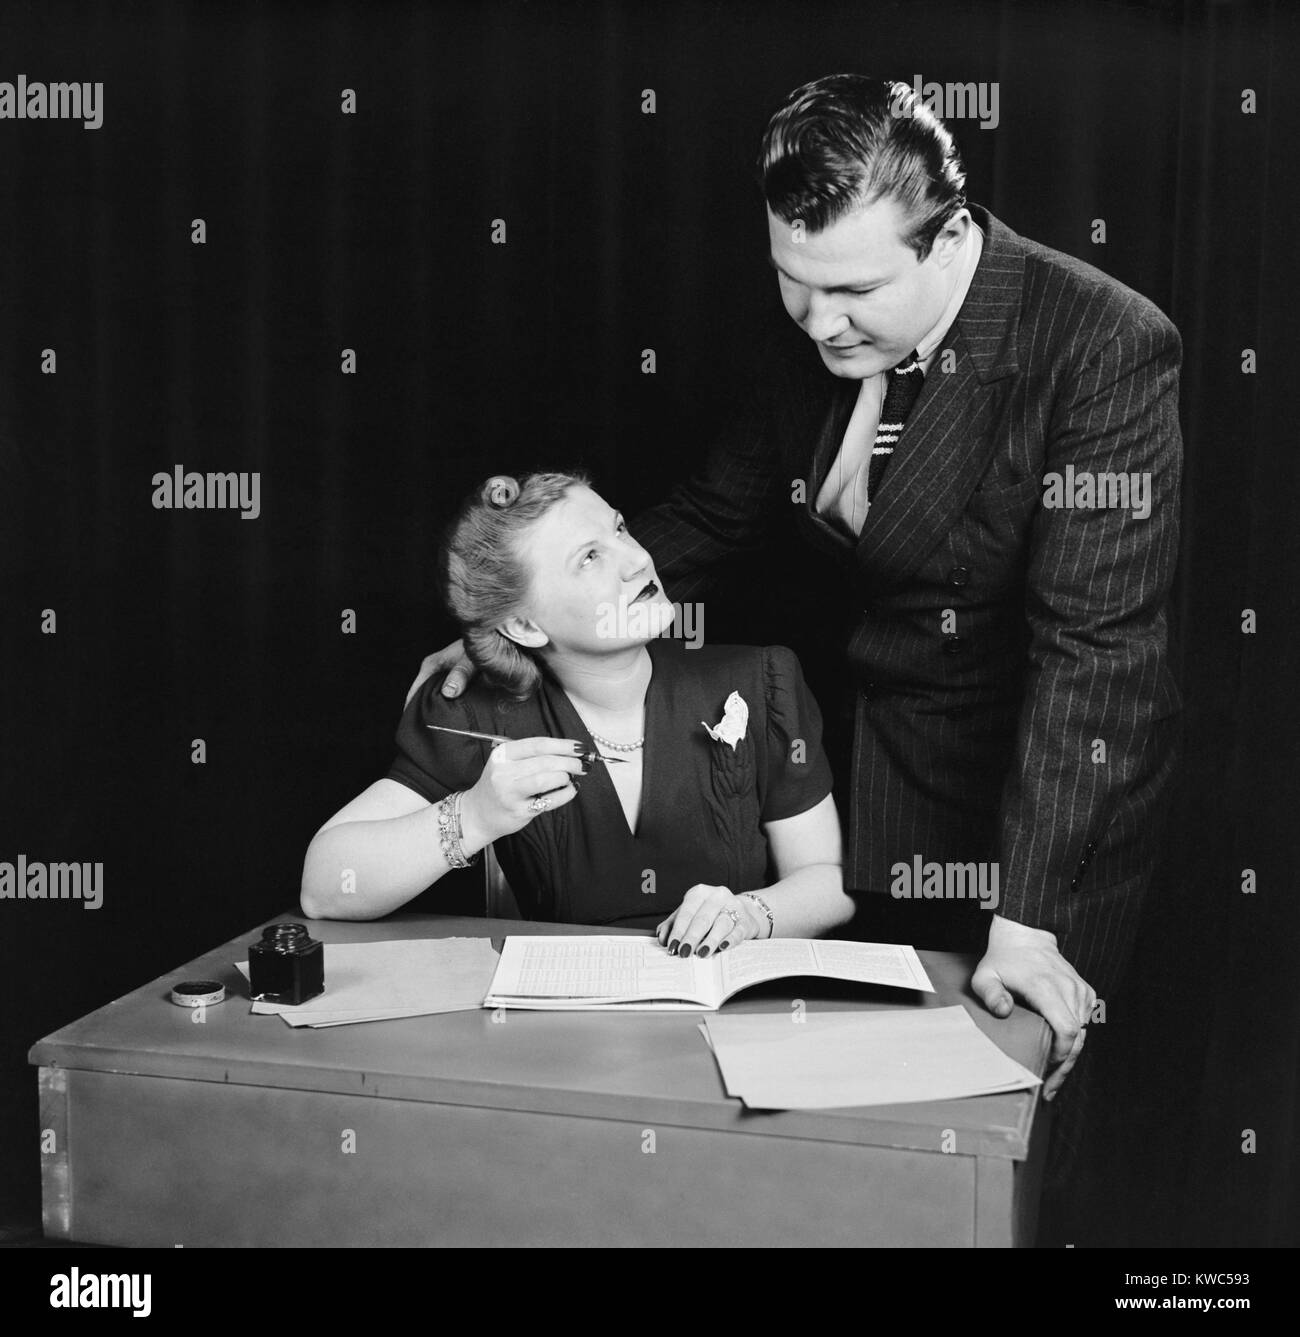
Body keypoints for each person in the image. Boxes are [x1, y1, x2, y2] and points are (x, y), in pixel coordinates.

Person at [406, 75, 1184, 1131]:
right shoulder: (820, 306)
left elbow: (1095, 663)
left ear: (948, 236)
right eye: (791, 280)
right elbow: (716, 515)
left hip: (1036, 806)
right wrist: (506, 623)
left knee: (989, 1141)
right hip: (856, 787)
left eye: (855, 291)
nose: (819, 321)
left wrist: (1032, 917)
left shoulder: (1100, 345)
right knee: (829, 1136)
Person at [301, 470, 855, 956]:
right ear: (523, 627)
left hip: (737, 1025)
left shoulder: (760, 681)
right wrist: (474, 816)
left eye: (619, 530)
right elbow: (325, 886)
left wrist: (752, 914)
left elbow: (827, 883)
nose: (639, 558)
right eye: (590, 557)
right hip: (564, 1042)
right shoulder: (480, 716)